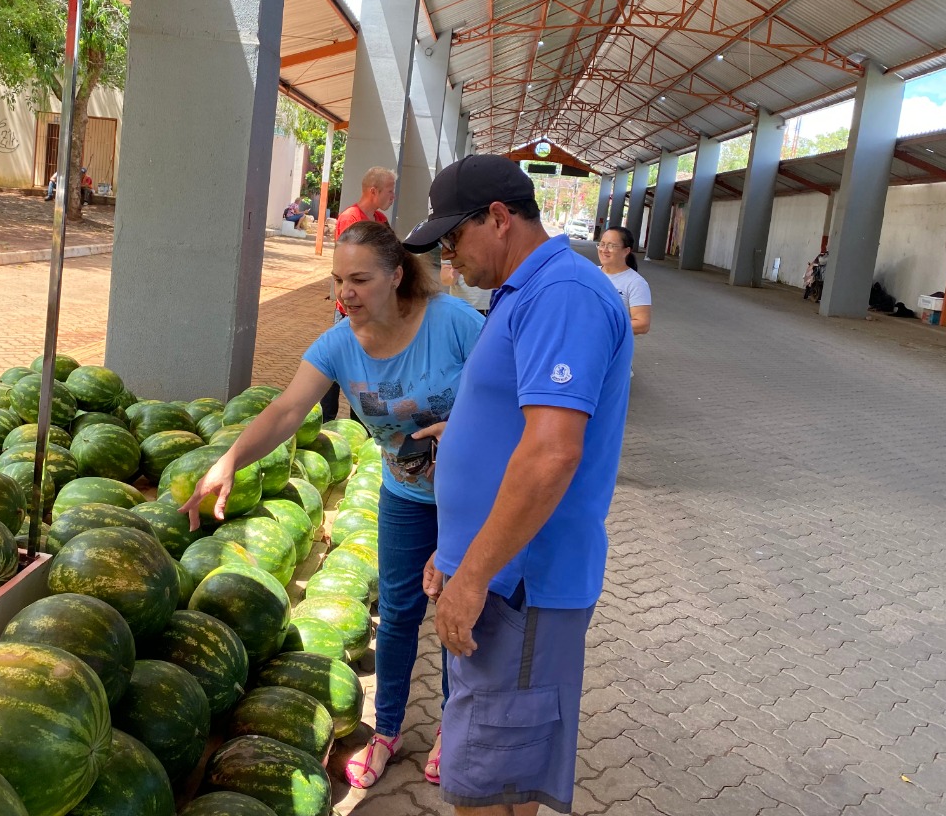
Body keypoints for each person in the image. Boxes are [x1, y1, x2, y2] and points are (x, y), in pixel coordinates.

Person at [182, 220, 484, 790]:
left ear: (396, 275)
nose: (345, 293)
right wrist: (228, 462)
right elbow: (287, 411)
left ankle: (454, 729)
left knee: (455, 613)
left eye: (360, 279)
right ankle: (388, 732)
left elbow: (514, 389)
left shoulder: (455, 324)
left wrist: (468, 426)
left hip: (469, 501)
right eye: (338, 280)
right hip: (405, 496)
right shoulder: (339, 344)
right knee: (396, 616)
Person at [402, 153, 633, 816]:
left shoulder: (564, 296)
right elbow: (511, 431)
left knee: (487, 792)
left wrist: (472, 576)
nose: (450, 259)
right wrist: (455, 550)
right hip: (498, 579)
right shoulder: (525, 293)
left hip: (519, 591)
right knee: (493, 781)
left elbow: (552, 454)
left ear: (498, 219)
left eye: (453, 239)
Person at [320, 166, 398, 420]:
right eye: (390, 191)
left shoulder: (381, 221)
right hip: (350, 313)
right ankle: (325, 418)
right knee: (336, 363)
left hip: (374, 312)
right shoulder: (350, 218)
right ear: (373, 191)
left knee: (366, 371)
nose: (392, 196)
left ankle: (363, 424)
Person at [597, 226, 651, 335]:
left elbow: (642, 324)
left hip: (612, 349)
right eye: (602, 244)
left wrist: (603, 326)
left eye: (611, 246)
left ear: (626, 251)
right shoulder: (590, 273)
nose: (604, 250)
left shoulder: (636, 283)